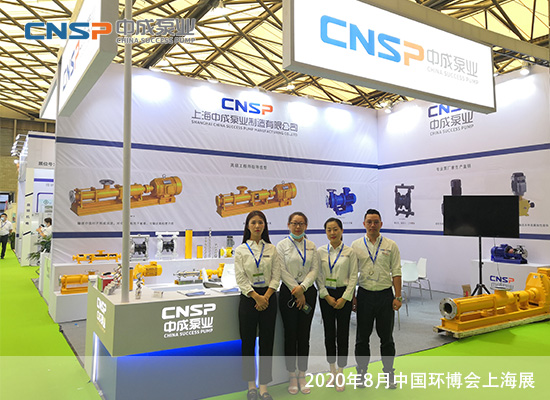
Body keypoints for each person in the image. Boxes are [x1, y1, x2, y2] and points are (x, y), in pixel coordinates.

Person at [352, 209, 402, 389]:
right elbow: (352, 274)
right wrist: (353, 297)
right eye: (369, 222)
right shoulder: (356, 245)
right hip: (364, 295)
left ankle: (389, 373)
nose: (372, 225)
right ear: (364, 224)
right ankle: (361, 373)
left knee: (386, 338)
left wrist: (398, 296)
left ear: (381, 224)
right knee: (362, 338)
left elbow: (396, 272)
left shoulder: (391, 245)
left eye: (375, 222)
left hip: (385, 296)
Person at [235, 210, 281, 400]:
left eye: (260, 222)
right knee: (247, 343)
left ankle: (264, 387)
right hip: (249, 299)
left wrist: (266, 296)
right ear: (247, 226)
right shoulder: (240, 250)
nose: (257, 226)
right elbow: (240, 278)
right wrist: (256, 297)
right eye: (253, 222)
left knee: (267, 343)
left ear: (265, 226)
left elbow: (276, 276)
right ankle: (250, 386)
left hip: (269, 298)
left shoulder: (271, 249)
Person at [277, 212, 319, 395]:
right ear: (288, 225)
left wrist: (303, 288)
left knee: (304, 334)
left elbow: (314, 269)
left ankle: (302, 373)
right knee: (290, 334)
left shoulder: (311, 246)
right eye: (294, 223)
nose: (298, 226)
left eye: (301, 223)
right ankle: (291, 375)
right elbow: (281, 270)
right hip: (288, 292)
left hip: (308, 291)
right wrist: (296, 289)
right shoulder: (281, 246)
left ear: (306, 226)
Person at [316, 217, 358, 392]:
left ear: (342, 231)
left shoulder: (350, 252)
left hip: (343, 295)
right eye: (329, 229)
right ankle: (332, 370)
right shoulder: (320, 252)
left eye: (335, 229)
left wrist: (345, 298)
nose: (332, 233)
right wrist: (326, 296)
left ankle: (341, 372)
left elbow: (354, 277)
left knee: (342, 334)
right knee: (329, 333)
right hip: (326, 296)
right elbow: (318, 276)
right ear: (325, 232)